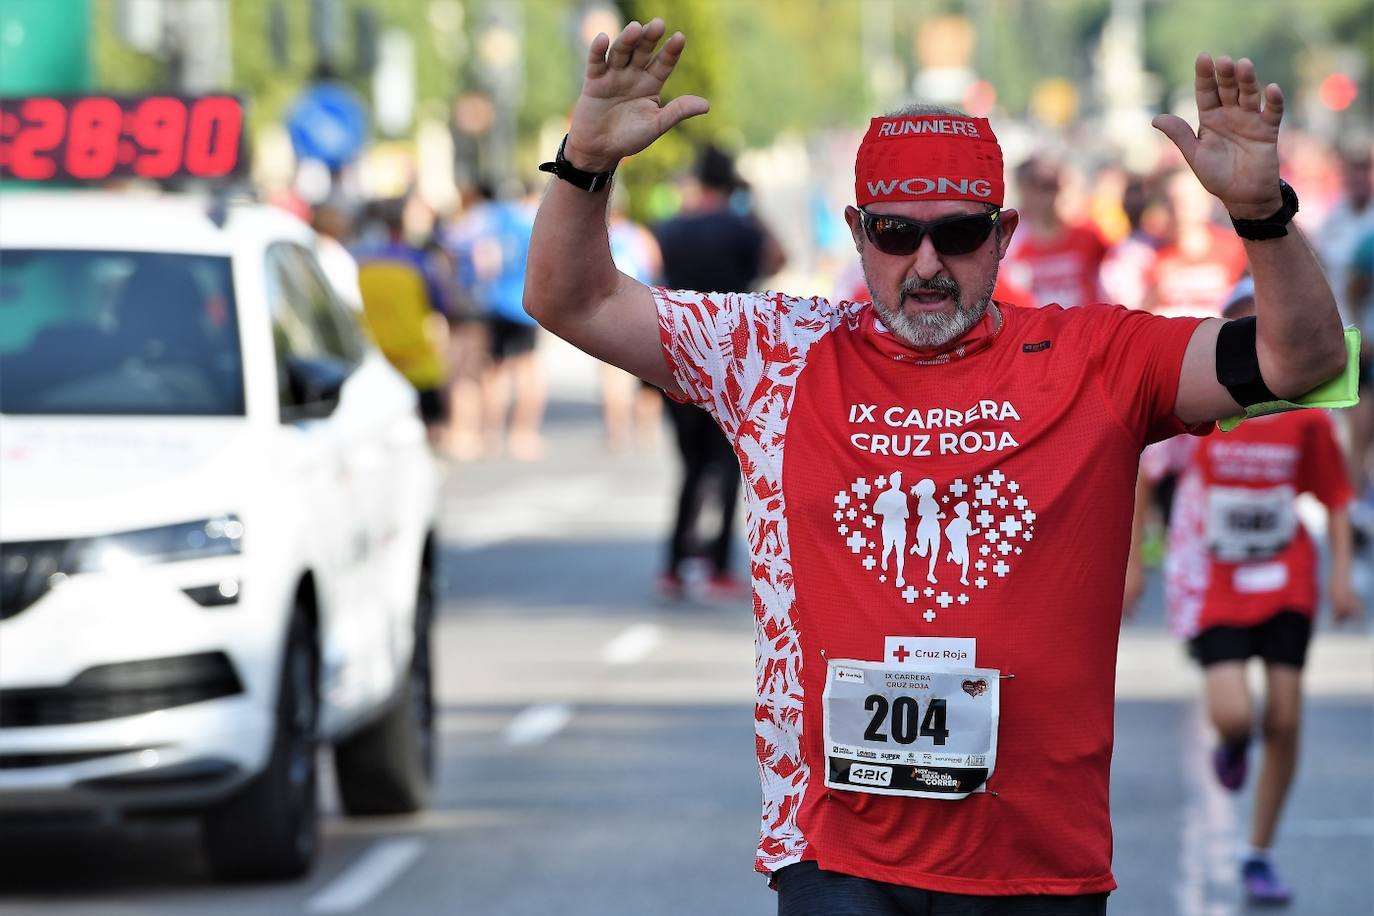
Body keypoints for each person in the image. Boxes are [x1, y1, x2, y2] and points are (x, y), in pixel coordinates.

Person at [523, 19, 1347, 912]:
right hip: (833, 846)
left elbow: (1304, 362)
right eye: (892, 233)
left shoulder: (1094, 355)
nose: (925, 265)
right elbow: (570, 298)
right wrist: (583, 167)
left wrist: (1262, 216)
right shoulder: (775, 354)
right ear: (855, 231)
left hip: (1036, 858)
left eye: (956, 235)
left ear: (1003, 235)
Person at [1125, 277, 1361, 905]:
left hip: (1284, 575)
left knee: (1284, 716)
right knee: (1236, 714)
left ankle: (1258, 850)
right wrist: (1133, 564)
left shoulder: (1304, 414)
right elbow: (1145, 474)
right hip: (1213, 578)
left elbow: (1335, 497)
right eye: (1245, 322)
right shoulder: (1203, 404)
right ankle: (1231, 742)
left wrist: (1339, 575)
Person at [650, 143, 785, 599]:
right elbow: (778, 258)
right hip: (732, 360)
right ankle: (718, 566)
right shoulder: (741, 228)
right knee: (730, 465)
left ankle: (673, 562)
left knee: (689, 467)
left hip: (678, 357)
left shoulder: (669, 228)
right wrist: (754, 207)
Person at [355, 198, 450, 446]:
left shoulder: (362, 264)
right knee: (431, 425)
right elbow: (439, 307)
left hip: (378, 359)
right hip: (416, 357)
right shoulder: (419, 263)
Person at [1003, 154, 1108, 310]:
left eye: (1051, 186)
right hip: (1035, 331)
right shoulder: (1007, 242)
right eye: (1035, 185)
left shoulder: (1089, 235)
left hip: (1084, 328)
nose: (1045, 196)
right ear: (1022, 188)